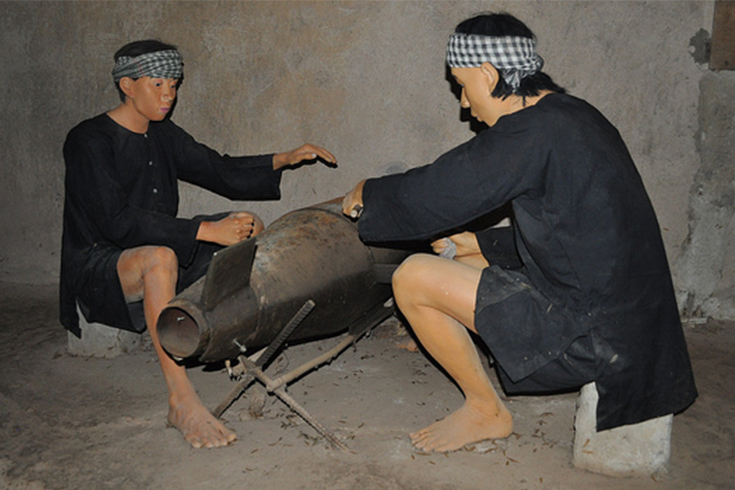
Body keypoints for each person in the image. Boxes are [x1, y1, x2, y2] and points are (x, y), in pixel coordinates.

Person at [342, 13, 697, 453]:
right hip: (626, 323)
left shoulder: (529, 133)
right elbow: (577, 233)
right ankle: (465, 347)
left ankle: (485, 410)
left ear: (488, 74)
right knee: (465, 253)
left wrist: (370, 193)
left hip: (598, 339)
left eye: (464, 87)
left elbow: (438, 192)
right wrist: (483, 243)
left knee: (412, 276)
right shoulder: (570, 114)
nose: (465, 106)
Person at [61, 40, 336, 449]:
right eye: (157, 85)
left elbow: (218, 169)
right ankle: (181, 401)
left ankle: (232, 340)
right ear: (127, 85)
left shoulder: (163, 134)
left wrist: (284, 158)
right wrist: (204, 230)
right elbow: (116, 223)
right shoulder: (88, 139)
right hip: (100, 265)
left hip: (163, 246)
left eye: (173, 85)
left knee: (247, 224)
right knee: (161, 257)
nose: (168, 95)